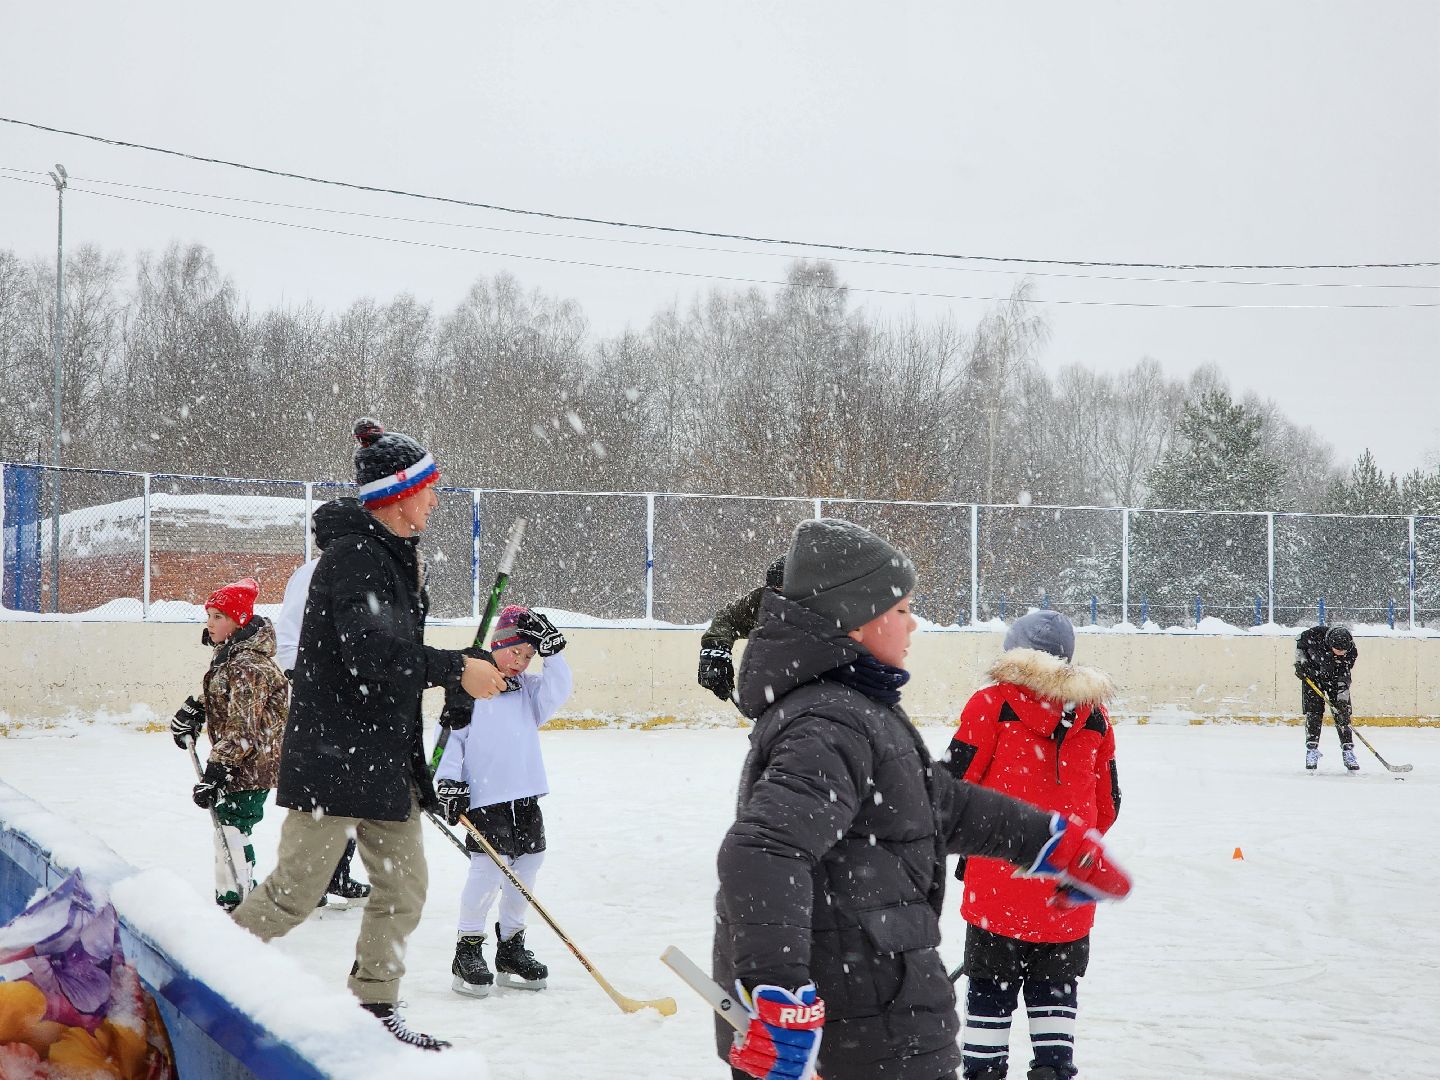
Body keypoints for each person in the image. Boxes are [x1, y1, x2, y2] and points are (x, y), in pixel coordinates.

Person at [713, 519, 1131, 1080]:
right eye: (903, 610)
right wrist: (778, 989)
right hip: (853, 1030)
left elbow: (940, 804)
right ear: (856, 621)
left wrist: (1053, 842)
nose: (914, 625)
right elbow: (763, 852)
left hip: (881, 1009)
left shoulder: (860, 710)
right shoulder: (830, 722)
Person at [231, 418, 507, 1052]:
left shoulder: (394, 557)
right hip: (336, 759)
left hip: (383, 760)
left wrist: (455, 683)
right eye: (429, 488)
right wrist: (450, 668)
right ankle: (199, 968)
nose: (436, 499)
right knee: (292, 895)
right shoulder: (355, 557)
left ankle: (374, 1006)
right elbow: (370, 652)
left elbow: (396, 656)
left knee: (404, 887)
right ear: (398, 496)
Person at [943, 610, 1120, 1080]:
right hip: (1066, 888)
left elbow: (951, 787)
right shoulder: (1096, 717)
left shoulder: (990, 703)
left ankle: (983, 1071)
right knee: (1054, 997)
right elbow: (1107, 806)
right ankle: (1053, 1070)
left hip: (996, 886)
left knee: (989, 1000)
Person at [434, 604, 572, 998]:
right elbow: (450, 741)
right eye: (516, 652)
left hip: (526, 794)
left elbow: (559, 689)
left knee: (528, 865)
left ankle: (511, 946)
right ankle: (469, 946)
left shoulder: (529, 692)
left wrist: (554, 653)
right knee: (488, 871)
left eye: (529, 657)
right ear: (498, 644)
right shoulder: (470, 688)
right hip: (485, 796)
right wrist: (447, 783)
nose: (521, 662)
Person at [170, 576, 287, 911]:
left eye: (218, 616)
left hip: (251, 761)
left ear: (239, 622)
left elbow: (242, 728)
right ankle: (235, 893)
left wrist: (218, 769)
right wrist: (196, 708)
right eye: (208, 616)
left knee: (233, 826)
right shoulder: (232, 658)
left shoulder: (247, 665)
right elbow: (226, 700)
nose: (210, 623)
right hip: (242, 759)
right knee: (230, 823)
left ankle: (239, 896)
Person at [275, 533, 371, 908]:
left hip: (351, 698)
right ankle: (307, 881)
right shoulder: (314, 573)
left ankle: (336, 874)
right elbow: (288, 633)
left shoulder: (360, 572)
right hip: (321, 698)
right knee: (319, 793)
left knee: (348, 793)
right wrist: (302, 677)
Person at [697, 555, 785, 703]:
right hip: (772, 693)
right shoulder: (764, 600)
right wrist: (716, 649)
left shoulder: (827, 606)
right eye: (775, 591)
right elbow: (729, 618)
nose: (778, 598)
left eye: (784, 591)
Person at [1295, 624, 1359, 771]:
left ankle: (1348, 751)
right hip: (1312, 676)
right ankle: (1312, 750)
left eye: (1344, 651)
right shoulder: (1313, 635)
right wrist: (1300, 663)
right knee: (1314, 712)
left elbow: (1344, 678)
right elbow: (1300, 645)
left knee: (1343, 714)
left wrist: (1342, 702)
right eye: (1338, 650)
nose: (1341, 653)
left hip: (1335, 679)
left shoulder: (1351, 652)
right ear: (1329, 644)